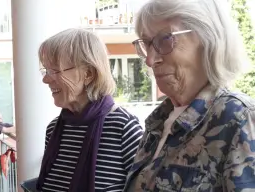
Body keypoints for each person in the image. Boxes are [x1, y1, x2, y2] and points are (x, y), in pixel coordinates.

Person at [125, 0, 255, 191]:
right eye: (146, 44)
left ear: (208, 38)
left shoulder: (239, 119)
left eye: (165, 39)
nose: (150, 60)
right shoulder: (159, 121)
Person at [36, 28, 144, 192]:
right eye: (45, 70)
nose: (45, 79)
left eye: (54, 71)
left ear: (89, 73)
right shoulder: (54, 130)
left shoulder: (123, 128)